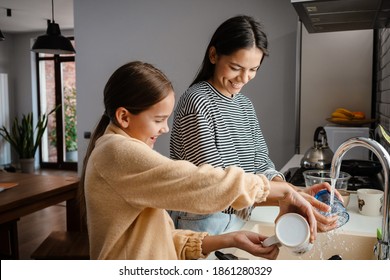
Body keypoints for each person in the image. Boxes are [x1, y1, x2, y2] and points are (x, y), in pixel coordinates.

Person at [78, 60, 328, 260]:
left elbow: (157, 241)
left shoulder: (119, 152)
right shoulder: (116, 151)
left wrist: (229, 239)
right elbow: (195, 181)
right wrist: (276, 190)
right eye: (158, 120)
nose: (165, 128)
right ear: (124, 117)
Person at [169, 15, 339, 234]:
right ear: (213, 55)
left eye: (253, 69)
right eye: (235, 67)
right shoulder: (197, 102)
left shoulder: (244, 105)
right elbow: (217, 186)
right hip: (201, 225)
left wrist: (294, 191)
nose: (244, 78)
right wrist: (286, 193)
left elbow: (262, 164)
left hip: (240, 218)